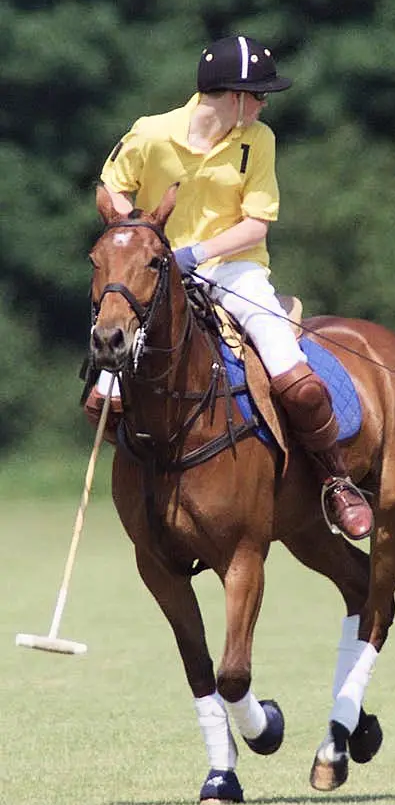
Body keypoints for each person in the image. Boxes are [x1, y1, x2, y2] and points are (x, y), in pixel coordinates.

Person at [85, 34, 373, 541]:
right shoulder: (151, 133)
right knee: (101, 400)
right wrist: (142, 237)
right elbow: (110, 184)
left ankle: (336, 480)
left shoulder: (257, 140)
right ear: (232, 95)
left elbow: (258, 223)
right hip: (156, 278)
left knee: (299, 383)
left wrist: (194, 253)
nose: (264, 104)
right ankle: (150, 479)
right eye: (259, 94)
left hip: (235, 271)